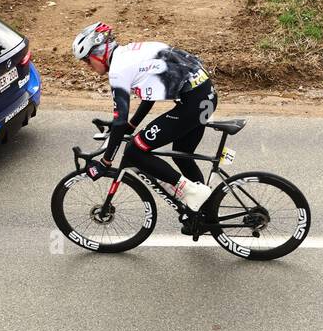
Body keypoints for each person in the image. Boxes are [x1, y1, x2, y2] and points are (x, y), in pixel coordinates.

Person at [72, 22, 218, 222]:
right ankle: (204, 212)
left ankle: (191, 191)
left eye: (88, 61)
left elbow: (119, 119)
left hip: (194, 102)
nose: (89, 67)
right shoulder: (128, 53)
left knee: (134, 150)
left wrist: (106, 161)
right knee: (182, 154)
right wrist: (130, 125)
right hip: (205, 96)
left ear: (100, 52)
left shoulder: (118, 70)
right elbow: (150, 93)